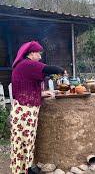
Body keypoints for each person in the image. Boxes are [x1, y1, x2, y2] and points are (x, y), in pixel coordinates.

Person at [10, 41, 64, 174]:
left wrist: (41, 93)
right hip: (24, 111)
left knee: (27, 141)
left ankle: (26, 168)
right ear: (32, 53)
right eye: (38, 54)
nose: (40, 57)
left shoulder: (23, 66)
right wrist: (61, 71)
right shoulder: (26, 64)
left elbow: (26, 86)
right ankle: (20, 170)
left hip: (26, 110)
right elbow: (48, 69)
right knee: (22, 141)